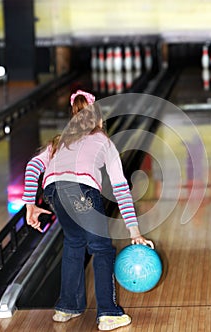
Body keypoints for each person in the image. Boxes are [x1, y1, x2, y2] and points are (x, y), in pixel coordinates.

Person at [22, 90, 154, 331]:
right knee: (101, 249)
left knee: (74, 242)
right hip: (81, 190)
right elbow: (121, 188)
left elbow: (33, 166)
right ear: (100, 121)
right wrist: (135, 231)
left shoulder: (59, 140)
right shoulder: (104, 140)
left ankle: (67, 306)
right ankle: (108, 313)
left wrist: (30, 203)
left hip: (54, 191)